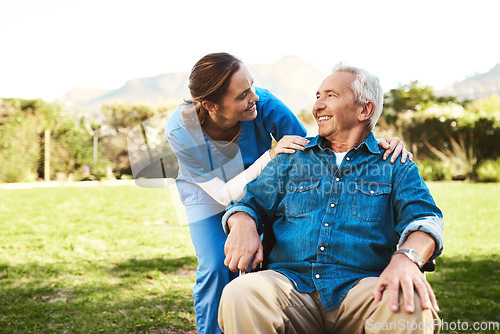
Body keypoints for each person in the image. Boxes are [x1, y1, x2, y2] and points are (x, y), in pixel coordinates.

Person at [165, 53, 412, 334]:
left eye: (252, 86)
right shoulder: (179, 131)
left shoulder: (264, 103)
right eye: (242, 94)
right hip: (209, 195)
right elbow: (223, 194)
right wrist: (269, 157)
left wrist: (372, 145)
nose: (253, 97)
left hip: (265, 185)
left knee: (263, 259)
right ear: (211, 105)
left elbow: (312, 150)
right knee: (216, 268)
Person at [218, 63, 444, 334]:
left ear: (365, 109)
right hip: (290, 285)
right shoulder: (292, 158)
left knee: (411, 303)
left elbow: (425, 220)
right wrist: (243, 223)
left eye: (331, 96)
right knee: (240, 293)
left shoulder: (394, 164)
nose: (318, 106)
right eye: (317, 96)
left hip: (362, 289)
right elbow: (249, 204)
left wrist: (406, 259)